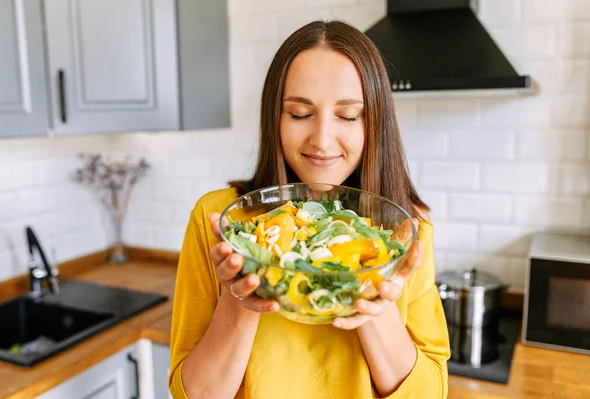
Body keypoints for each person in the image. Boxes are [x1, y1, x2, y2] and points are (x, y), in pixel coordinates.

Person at [168, 20, 450, 399]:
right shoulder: (220, 222)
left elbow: (432, 392)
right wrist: (241, 300)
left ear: (375, 122)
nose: (321, 140)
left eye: (348, 116)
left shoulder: (404, 233)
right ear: (275, 117)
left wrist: (375, 305)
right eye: (300, 113)